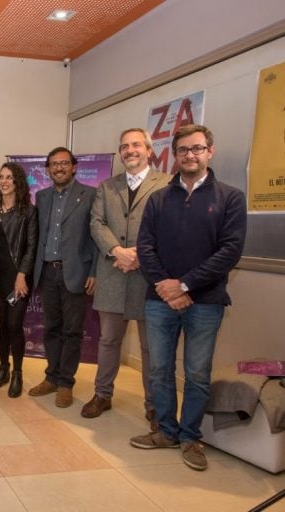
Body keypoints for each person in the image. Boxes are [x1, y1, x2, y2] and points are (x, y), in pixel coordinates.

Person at [130, 124, 246, 471]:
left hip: (205, 302)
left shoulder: (230, 197)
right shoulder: (159, 199)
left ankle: (190, 436)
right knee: (160, 369)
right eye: (183, 150)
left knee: (196, 373)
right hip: (159, 300)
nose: (190, 155)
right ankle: (166, 431)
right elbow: (146, 248)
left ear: (210, 151)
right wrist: (167, 286)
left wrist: (185, 286)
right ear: (175, 155)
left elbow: (230, 251)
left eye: (197, 148)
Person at [82, 128, 170, 425]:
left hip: (151, 278)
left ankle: (155, 405)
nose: (129, 150)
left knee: (151, 346)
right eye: (124, 146)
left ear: (149, 149)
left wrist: (139, 256)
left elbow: (171, 229)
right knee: (108, 341)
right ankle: (102, 395)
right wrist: (117, 251)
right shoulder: (107, 186)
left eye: (135, 145)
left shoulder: (168, 184)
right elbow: (96, 223)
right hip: (113, 273)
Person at [28, 147, 97, 408]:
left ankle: (66, 383)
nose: (59, 168)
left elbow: (96, 237)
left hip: (76, 272)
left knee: (72, 331)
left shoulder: (90, 195)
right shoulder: (42, 197)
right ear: (47, 169)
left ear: (74, 167)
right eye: (54, 164)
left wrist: (94, 272)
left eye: (64, 163)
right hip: (47, 271)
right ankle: (52, 377)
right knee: (52, 328)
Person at [0, 162, 38, 397]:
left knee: (15, 325)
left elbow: (31, 247)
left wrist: (22, 275)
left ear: (17, 182)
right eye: (1, 177)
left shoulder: (28, 211)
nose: (4, 181)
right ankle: (3, 370)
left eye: (9, 177)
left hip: (18, 278)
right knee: (2, 326)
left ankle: (17, 373)